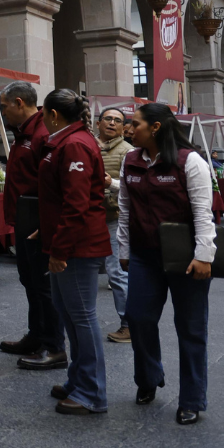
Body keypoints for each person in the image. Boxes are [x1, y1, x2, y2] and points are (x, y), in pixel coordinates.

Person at [119, 103, 216, 426]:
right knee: (138, 317)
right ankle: (148, 377)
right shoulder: (130, 160)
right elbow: (125, 208)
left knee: (190, 328)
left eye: (135, 124)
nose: (129, 129)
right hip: (144, 256)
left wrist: (204, 255)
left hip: (186, 258)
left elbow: (204, 212)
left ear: (156, 127)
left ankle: (191, 399)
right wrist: (124, 248)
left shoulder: (190, 162)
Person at [38, 90, 110, 415]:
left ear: (53, 114)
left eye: (43, 112)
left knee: (82, 316)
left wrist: (60, 249)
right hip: (68, 241)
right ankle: (79, 380)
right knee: (67, 311)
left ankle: (91, 392)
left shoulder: (75, 144)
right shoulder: (67, 141)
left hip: (77, 246)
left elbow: (77, 203)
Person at [0, 81, 67, 371]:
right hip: (24, 219)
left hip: (37, 222)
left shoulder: (42, 133)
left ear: (19, 103)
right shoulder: (24, 133)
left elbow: (52, 184)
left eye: (4, 106)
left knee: (44, 286)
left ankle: (54, 346)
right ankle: (36, 335)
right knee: (30, 282)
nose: (3, 112)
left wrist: (46, 223)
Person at [96, 107, 133, 343]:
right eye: (107, 119)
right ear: (98, 123)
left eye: (117, 120)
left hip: (113, 217)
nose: (112, 123)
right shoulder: (88, 144)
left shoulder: (128, 151)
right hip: (88, 216)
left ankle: (129, 324)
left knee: (117, 273)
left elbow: (133, 185)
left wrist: (111, 183)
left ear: (123, 127)